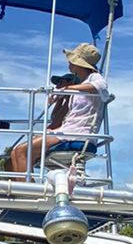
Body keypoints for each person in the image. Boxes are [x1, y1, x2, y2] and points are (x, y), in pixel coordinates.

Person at [9, 41, 109, 174]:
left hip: (77, 134)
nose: (69, 63)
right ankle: (25, 186)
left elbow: (102, 86)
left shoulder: (94, 77)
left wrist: (67, 88)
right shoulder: (83, 82)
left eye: (72, 60)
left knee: (21, 151)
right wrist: (62, 95)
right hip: (68, 131)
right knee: (15, 153)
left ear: (79, 63)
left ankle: (25, 187)